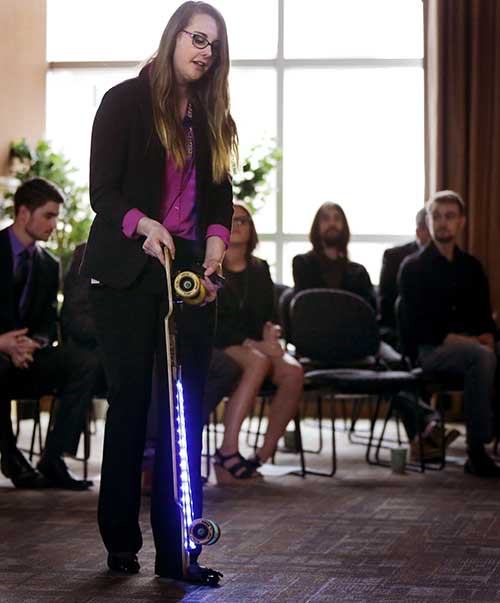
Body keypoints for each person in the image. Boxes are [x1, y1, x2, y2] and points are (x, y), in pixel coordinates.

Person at [80, 1, 237, 585]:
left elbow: (219, 199)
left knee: (184, 412)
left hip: (189, 274)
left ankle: (179, 554)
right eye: (198, 39)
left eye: (214, 45)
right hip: (126, 272)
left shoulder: (214, 114)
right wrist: (145, 226)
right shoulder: (123, 101)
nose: (205, 51)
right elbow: (105, 192)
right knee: (131, 408)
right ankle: (121, 541)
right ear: (173, 37)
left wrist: (216, 247)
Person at [0, 177, 95, 490]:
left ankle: (52, 459)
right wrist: (3, 343)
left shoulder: (48, 264)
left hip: (27, 357)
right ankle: (11, 456)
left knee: (85, 362)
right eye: (48, 215)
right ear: (24, 213)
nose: (54, 224)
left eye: (57, 216)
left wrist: (33, 343)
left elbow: (47, 321)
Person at [399, 190, 500, 477]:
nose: (443, 223)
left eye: (450, 217)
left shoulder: (472, 267)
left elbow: (484, 316)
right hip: (430, 352)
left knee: (488, 352)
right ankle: (477, 450)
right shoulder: (413, 268)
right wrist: (473, 342)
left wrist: (489, 335)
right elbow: (419, 328)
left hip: (471, 347)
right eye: (437, 217)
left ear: (461, 222)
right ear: (428, 222)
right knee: (481, 357)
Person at [213, 202, 304, 483]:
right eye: (229, 220)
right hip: (223, 343)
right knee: (258, 361)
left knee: (293, 370)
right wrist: (254, 344)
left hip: (256, 344)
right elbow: (214, 324)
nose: (236, 225)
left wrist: (271, 333)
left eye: (243, 221)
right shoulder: (210, 266)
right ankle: (227, 452)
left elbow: (271, 315)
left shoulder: (259, 269)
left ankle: (260, 456)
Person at [293, 202, 376, 310]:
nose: (332, 223)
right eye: (326, 219)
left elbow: (368, 311)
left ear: (343, 226)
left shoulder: (358, 272)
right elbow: (303, 307)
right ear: (317, 227)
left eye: (337, 219)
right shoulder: (303, 264)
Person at [379, 207, 430, 335]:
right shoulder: (394, 257)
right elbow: (386, 304)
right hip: (401, 329)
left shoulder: (451, 259)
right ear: (419, 232)